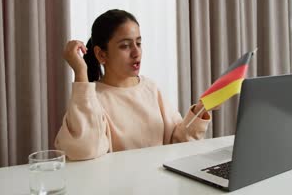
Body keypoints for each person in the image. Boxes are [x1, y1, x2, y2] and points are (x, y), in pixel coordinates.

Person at [54, 9, 211, 160]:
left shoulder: (151, 88)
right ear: (101, 54)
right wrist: (81, 72)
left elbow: (178, 144)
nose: (136, 53)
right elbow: (83, 149)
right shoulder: (91, 99)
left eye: (138, 43)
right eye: (125, 46)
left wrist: (200, 109)